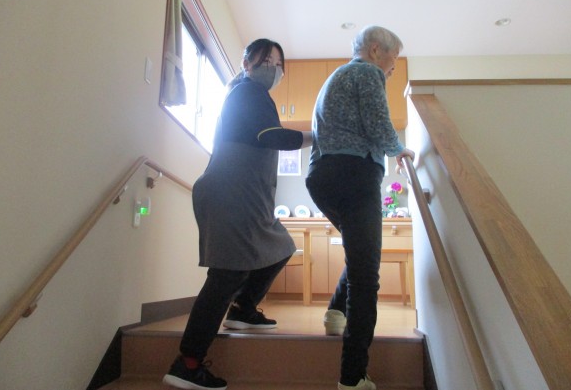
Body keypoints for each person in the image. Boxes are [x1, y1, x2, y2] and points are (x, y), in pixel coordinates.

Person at [163, 39, 312, 390]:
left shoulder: (252, 96)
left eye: (278, 64)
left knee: (280, 247)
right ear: (247, 63)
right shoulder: (248, 92)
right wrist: (316, 135)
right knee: (226, 276)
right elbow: (271, 136)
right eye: (266, 61)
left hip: (244, 196)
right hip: (231, 193)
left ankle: (243, 309)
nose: (274, 68)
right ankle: (188, 363)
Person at [305, 25, 415, 390]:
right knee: (367, 276)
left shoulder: (335, 77)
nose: (392, 70)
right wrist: (399, 150)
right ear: (375, 49)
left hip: (323, 177)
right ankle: (352, 377)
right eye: (393, 61)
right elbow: (377, 120)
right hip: (354, 175)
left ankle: (336, 313)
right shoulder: (367, 72)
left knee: (361, 255)